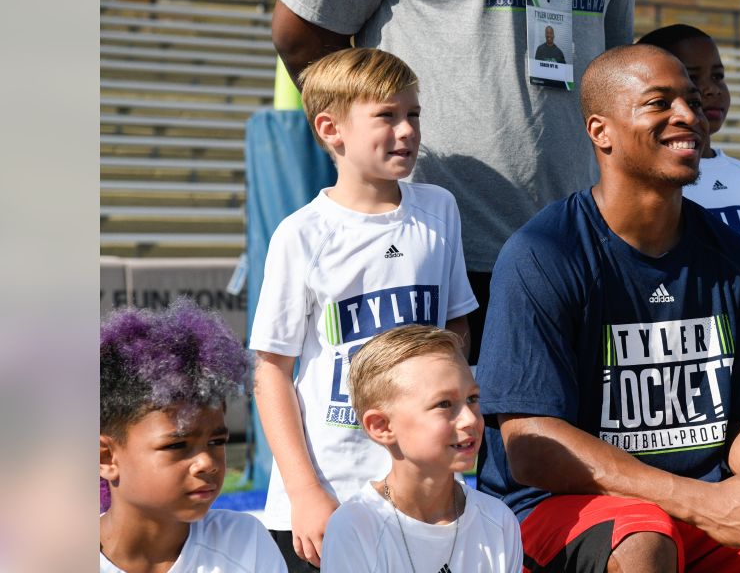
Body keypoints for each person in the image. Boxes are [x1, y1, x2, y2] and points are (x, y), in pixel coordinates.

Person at [476, 44, 740, 572]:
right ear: (600, 131)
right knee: (642, 537)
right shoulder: (543, 253)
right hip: (561, 511)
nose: (689, 115)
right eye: (659, 103)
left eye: (692, 101)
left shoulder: (730, 253)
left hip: (702, 505)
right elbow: (530, 444)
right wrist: (697, 501)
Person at [271, 0, 639, 366]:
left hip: (577, 245)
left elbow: (614, 70)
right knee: (440, 441)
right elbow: (302, 29)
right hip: (433, 251)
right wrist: (373, 163)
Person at [250, 49, 478, 571]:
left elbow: (454, 327)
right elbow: (270, 372)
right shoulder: (301, 235)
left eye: (413, 114)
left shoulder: (439, 210)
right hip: (330, 491)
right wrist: (305, 492)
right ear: (331, 128)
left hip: (425, 490)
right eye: (386, 116)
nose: (406, 130)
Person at [638, 23, 740, 383]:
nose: (712, 89)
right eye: (694, 77)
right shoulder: (659, 180)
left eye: (719, 75)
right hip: (696, 375)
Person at [99, 299, 286, 573]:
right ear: (106, 458)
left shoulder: (244, 542)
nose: (207, 463)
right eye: (177, 445)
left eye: (216, 442)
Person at [321, 324, 522, 571]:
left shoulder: (498, 522)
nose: (470, 419)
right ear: (381, 426)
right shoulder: (356, 528)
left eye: (472, 399)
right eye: (444, 404)